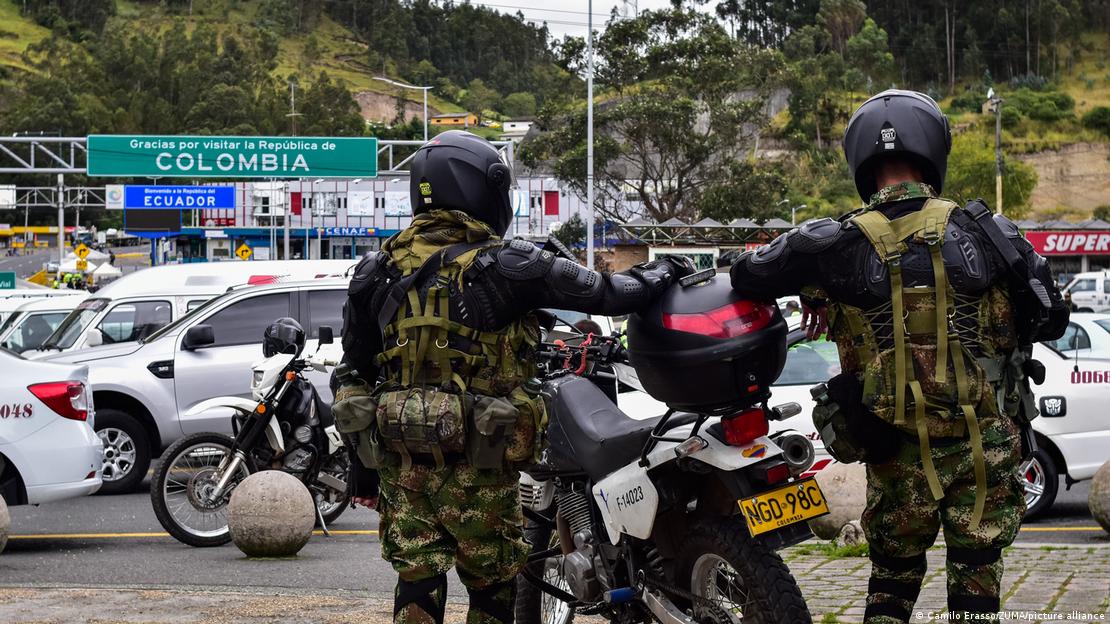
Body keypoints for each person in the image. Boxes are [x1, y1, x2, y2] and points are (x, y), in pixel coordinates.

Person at [729, 90, 1068, 623]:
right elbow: (1052, 315)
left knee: (891, 582)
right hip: (984, 448)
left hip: (893, 449)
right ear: (933, 151)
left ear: (862, 161)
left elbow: (747, 275)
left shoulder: (836, 244)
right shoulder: (985, 231)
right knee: (976, 580)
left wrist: (820, 288)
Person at [333, 130, 693, 624]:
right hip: (481, 462)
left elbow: (352, 372)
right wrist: (666, 270)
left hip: (402, 463)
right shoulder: (506, 264)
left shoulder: (376, 270)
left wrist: (365, 463)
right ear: (483, 189)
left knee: (416, 577)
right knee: (492, 582)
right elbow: (610, 293)